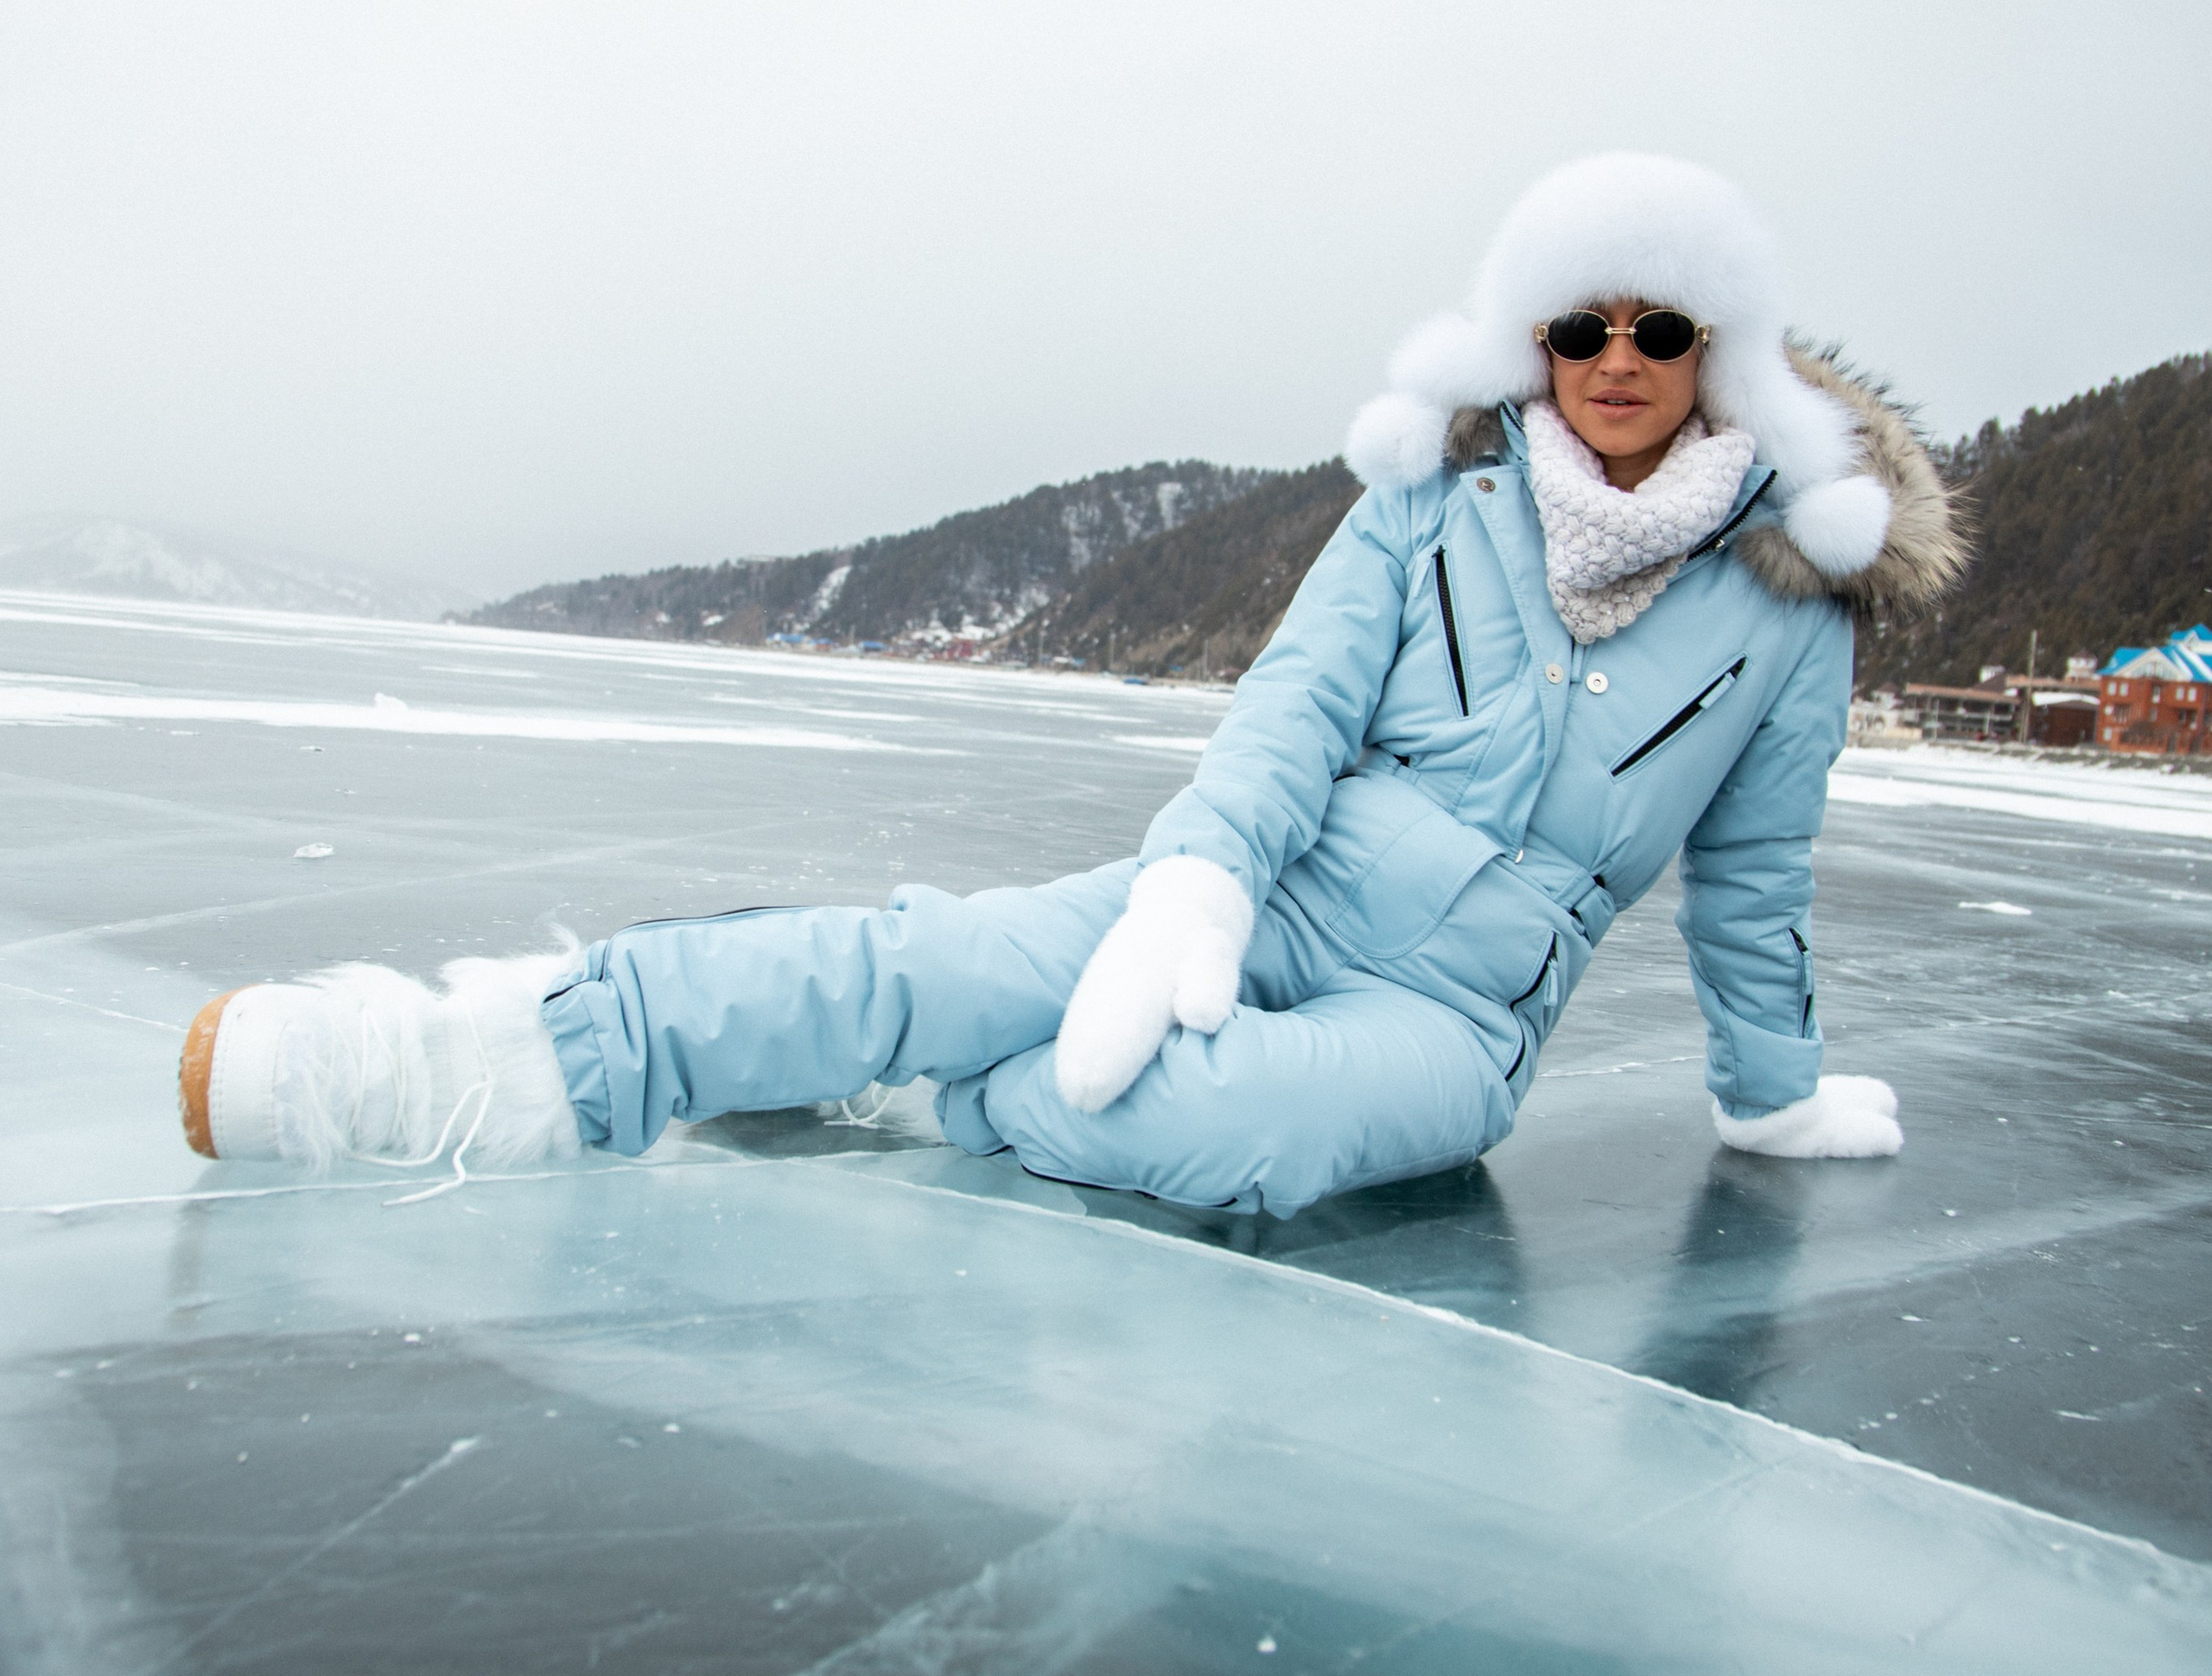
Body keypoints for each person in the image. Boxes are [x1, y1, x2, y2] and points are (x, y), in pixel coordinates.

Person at [178, 153, 1963, 1213]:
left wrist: (1772, 1092)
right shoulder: (1429, 509)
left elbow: (1752, 883)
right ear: (1531, 343)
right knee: (928, 962)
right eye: (1580, 325)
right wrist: (1195, 889)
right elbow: (1289, 715)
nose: (1616, 359)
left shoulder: (1786, 617)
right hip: (1269, 892)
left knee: (1240, 1128)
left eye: (1660, 327)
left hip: (1451, 1022)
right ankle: (429, 1062)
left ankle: (944, 1086)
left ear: (1719, 350)